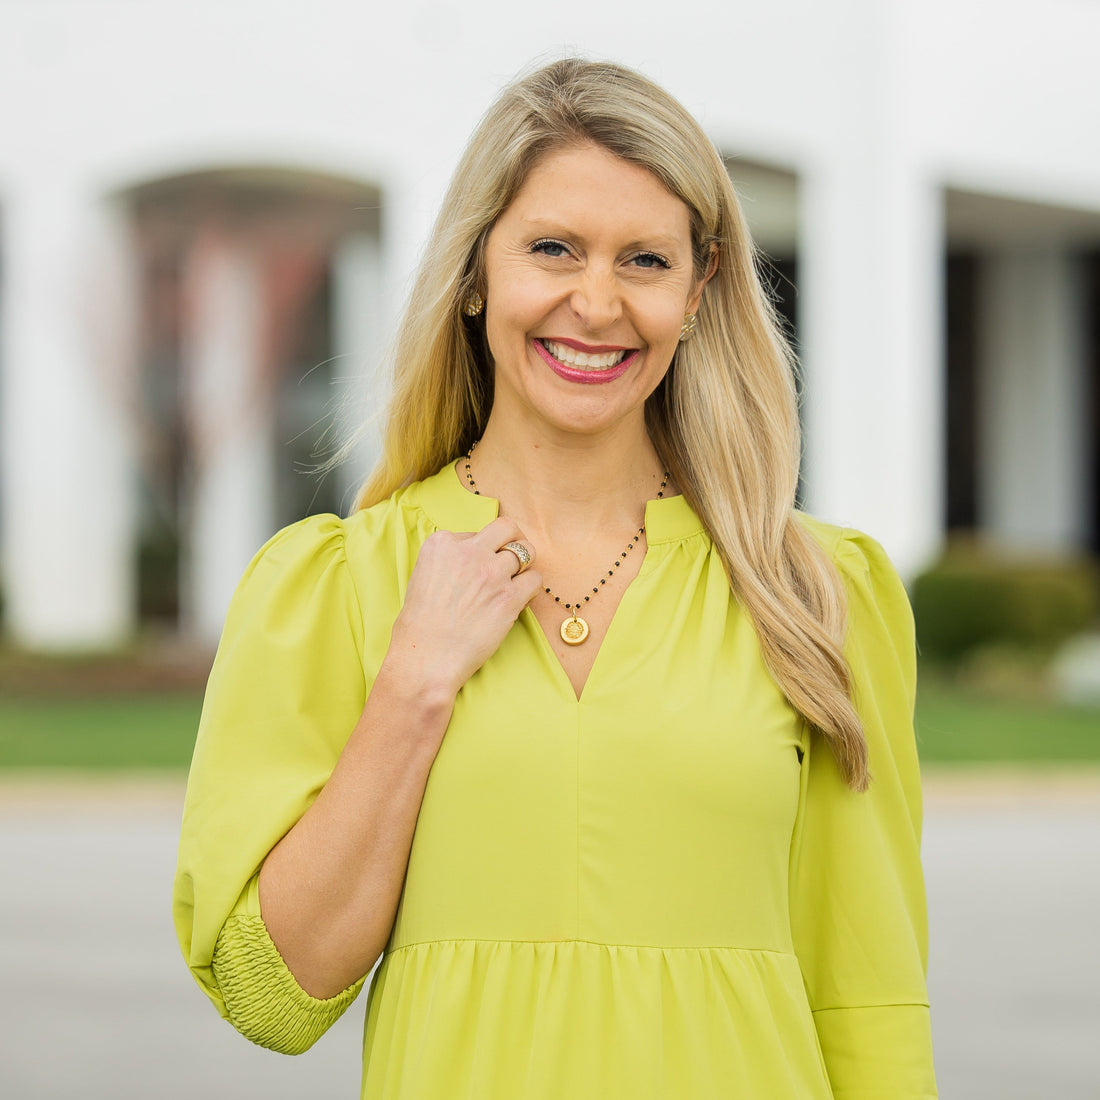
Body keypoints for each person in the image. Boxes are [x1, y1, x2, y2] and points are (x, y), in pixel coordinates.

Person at [173, 57, 937, 1098]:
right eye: (552, 248)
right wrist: (413, 684)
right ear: (477, 267)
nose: (595, 302)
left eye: (644, 261)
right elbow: (273, 994)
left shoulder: (807, 592)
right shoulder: (340, 584)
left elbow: (869, 1000)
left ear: (697, 288)